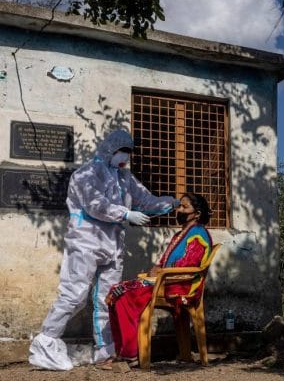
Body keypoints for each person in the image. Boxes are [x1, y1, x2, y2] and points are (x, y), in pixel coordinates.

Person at [28, 129, 179, 371]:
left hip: (112, 245)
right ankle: (45, 342)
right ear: (111, 149)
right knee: (74, 294)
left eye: (129, 153)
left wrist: (172, 203)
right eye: (123, 152)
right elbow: (95, 204)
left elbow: (146, 200)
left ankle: (106, 351)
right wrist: (125, 213)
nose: (125, 157)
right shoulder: (87, 173)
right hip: (85, 241)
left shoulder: (124, 178)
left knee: (107, 298)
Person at [106, 193, 214, 364]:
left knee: (125, 294)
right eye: (179, 206)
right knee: (115, 290)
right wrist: (157, 268)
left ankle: (130, 353)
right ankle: (122, 350)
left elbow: (188, 266)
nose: (179, 210)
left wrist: (162, 272)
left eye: (184, 207)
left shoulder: (198, 234)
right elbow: (163, 262)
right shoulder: (178, 235)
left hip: (180, 286)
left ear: (197, 213)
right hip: (166, 281)